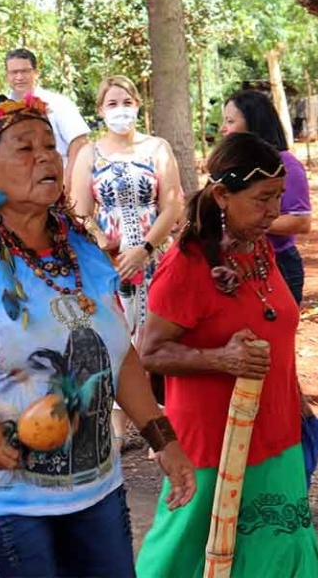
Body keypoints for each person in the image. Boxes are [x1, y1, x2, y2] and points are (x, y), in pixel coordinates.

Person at [0, 94, 195, 578]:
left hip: (96, 485)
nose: (46, 156)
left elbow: (120, 356)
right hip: (4, 497)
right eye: (24, 148)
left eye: (50, 146)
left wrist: (162, 436)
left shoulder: (82, 248)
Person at [134, 133, 318, 577]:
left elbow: (273, 327)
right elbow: (150, 351)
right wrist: (222, 359)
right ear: (222, 195)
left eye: (278, 197)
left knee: (278, 546)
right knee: (185, 550)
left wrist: (297, 403)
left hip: (276, 431)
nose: (274, 212)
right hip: (211, 442)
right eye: (262, 199)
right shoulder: (186, 265)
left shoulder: (257, 246)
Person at [70, 75, 184, 449]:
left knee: (161, 334)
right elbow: (80, 211)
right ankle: (119, 429)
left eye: (126, 101)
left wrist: (146, 249)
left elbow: (172, 204)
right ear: (101, 110)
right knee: (118, 338)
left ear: (138, 105)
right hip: (111, 264)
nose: (120, 110)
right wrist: (104, 243)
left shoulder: (157, 148)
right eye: (112, 103)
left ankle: (168, 428)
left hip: (157, 257)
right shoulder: (90, 153)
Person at [220, 90, 312, 306]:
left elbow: (301, 221)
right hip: (235, 262)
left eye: (231, 121)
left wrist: (245, 223)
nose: (224, 128)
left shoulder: (287, 166)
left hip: (278, 263)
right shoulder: (231, 165)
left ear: (253, 123)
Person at [4, 48, 90, 186]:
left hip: (54, 183)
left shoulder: (59, 104)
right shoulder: (0, 109)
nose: (19, 77)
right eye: (14, 72)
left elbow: (79, 141)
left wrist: (68, 180)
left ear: (36, 73)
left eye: (25, 71)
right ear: (7, 76)